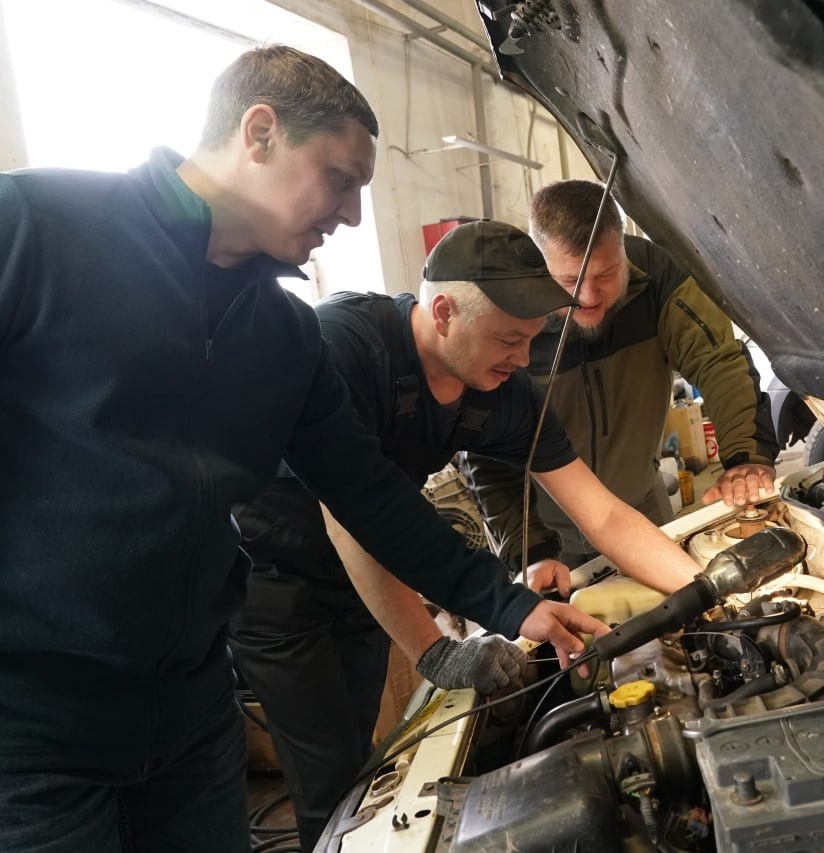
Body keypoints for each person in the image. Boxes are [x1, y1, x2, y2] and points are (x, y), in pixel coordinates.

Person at [0, 46, 604, 853]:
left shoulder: (283, 336)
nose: (351, 214)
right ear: (260, 133)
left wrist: (509, 603)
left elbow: (368, 492)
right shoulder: (35, 231)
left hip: (190, 721)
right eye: (340, 179)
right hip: (33, 735)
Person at [231, 220, 705, 851]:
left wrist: (708, 589)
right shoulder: (344, 348)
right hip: (278, 580)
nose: (523, 358)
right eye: (509, 339)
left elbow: (604, 515)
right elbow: (352, 518)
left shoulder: (504, 392)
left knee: (365, 767)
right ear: (444, 312)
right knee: (329, 776)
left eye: (532, 339)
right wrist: (434, 651)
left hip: (369, 578)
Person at [464, 180, 781, 568]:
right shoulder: (507, 311)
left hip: (643, 511)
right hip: (547, 535)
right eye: (569, 282)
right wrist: (527, 549)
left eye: (606, 274)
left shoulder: (657, 277)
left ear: (622, 248)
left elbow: (719, 362)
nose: (588, 297)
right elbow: (486, 448)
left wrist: (745, 457)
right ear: (540, 264)